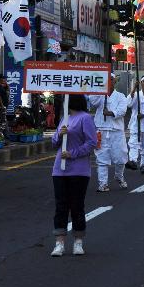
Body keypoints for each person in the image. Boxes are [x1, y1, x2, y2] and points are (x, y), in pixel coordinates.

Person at [51, 94, 96, 257]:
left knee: (77, 205)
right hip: (59, 170)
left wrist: (73, 153)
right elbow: (54, 143)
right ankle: (59, 242)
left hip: (79, 170)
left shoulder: (85, 118)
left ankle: (78, 241)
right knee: (61, 205)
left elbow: (91, 143)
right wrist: (59, 135)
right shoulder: (64, 118)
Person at [90, 75, 129, 192]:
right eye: (106, 79)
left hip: (116, 131)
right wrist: (101, 90)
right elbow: (93, 102)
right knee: (101, 157)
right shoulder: (99, 94)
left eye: (111, 79)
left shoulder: (121, 96)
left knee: (121, 157)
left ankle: (119, 176)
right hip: (101, 130)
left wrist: (111, 113)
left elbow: (123, 110)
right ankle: (103, 183)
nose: (109, 82)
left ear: (115, 81)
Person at [0, 74, 9, 138]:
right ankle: (0, 136)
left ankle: (5, 136)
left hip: (3, 107)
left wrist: (7, 87)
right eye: (3, 78)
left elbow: (7, 94)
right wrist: (2, 105)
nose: (4, 80)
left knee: (3, 122)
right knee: (2, 122)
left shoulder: (2, 86)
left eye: (5, 78)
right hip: (0, 107)